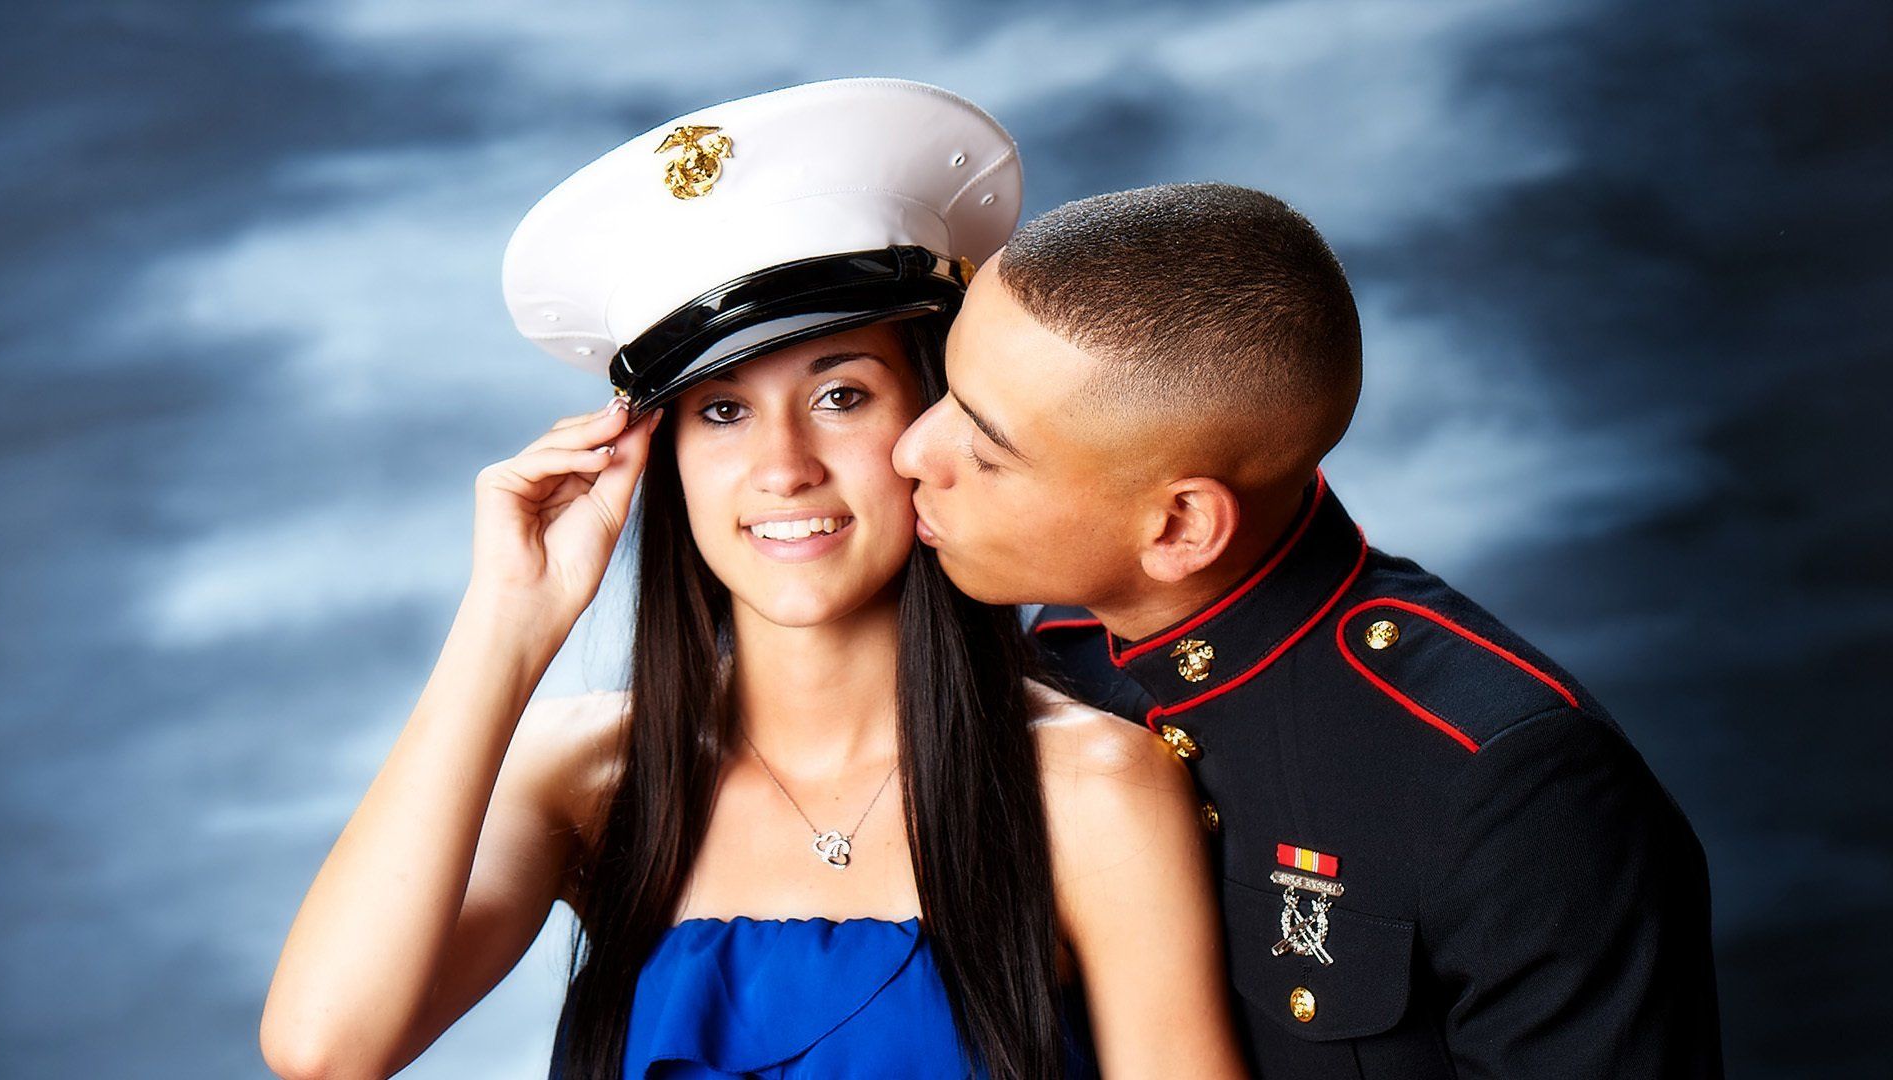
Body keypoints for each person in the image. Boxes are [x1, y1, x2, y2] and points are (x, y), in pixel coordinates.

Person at [259, 81, 1248, 1080]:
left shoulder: (1089, 790)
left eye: (840, 394)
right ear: (660, 454)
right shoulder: (593, 778)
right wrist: (507, 619)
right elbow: (326, 1050)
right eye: (722, 412)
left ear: (929, 418)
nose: (783, 466)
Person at [893, 182, 1725, 1079]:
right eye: (947, 386)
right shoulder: (1066, 660)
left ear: (1178, 528)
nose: (910, 451)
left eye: (982, 451)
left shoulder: (1508, 781)